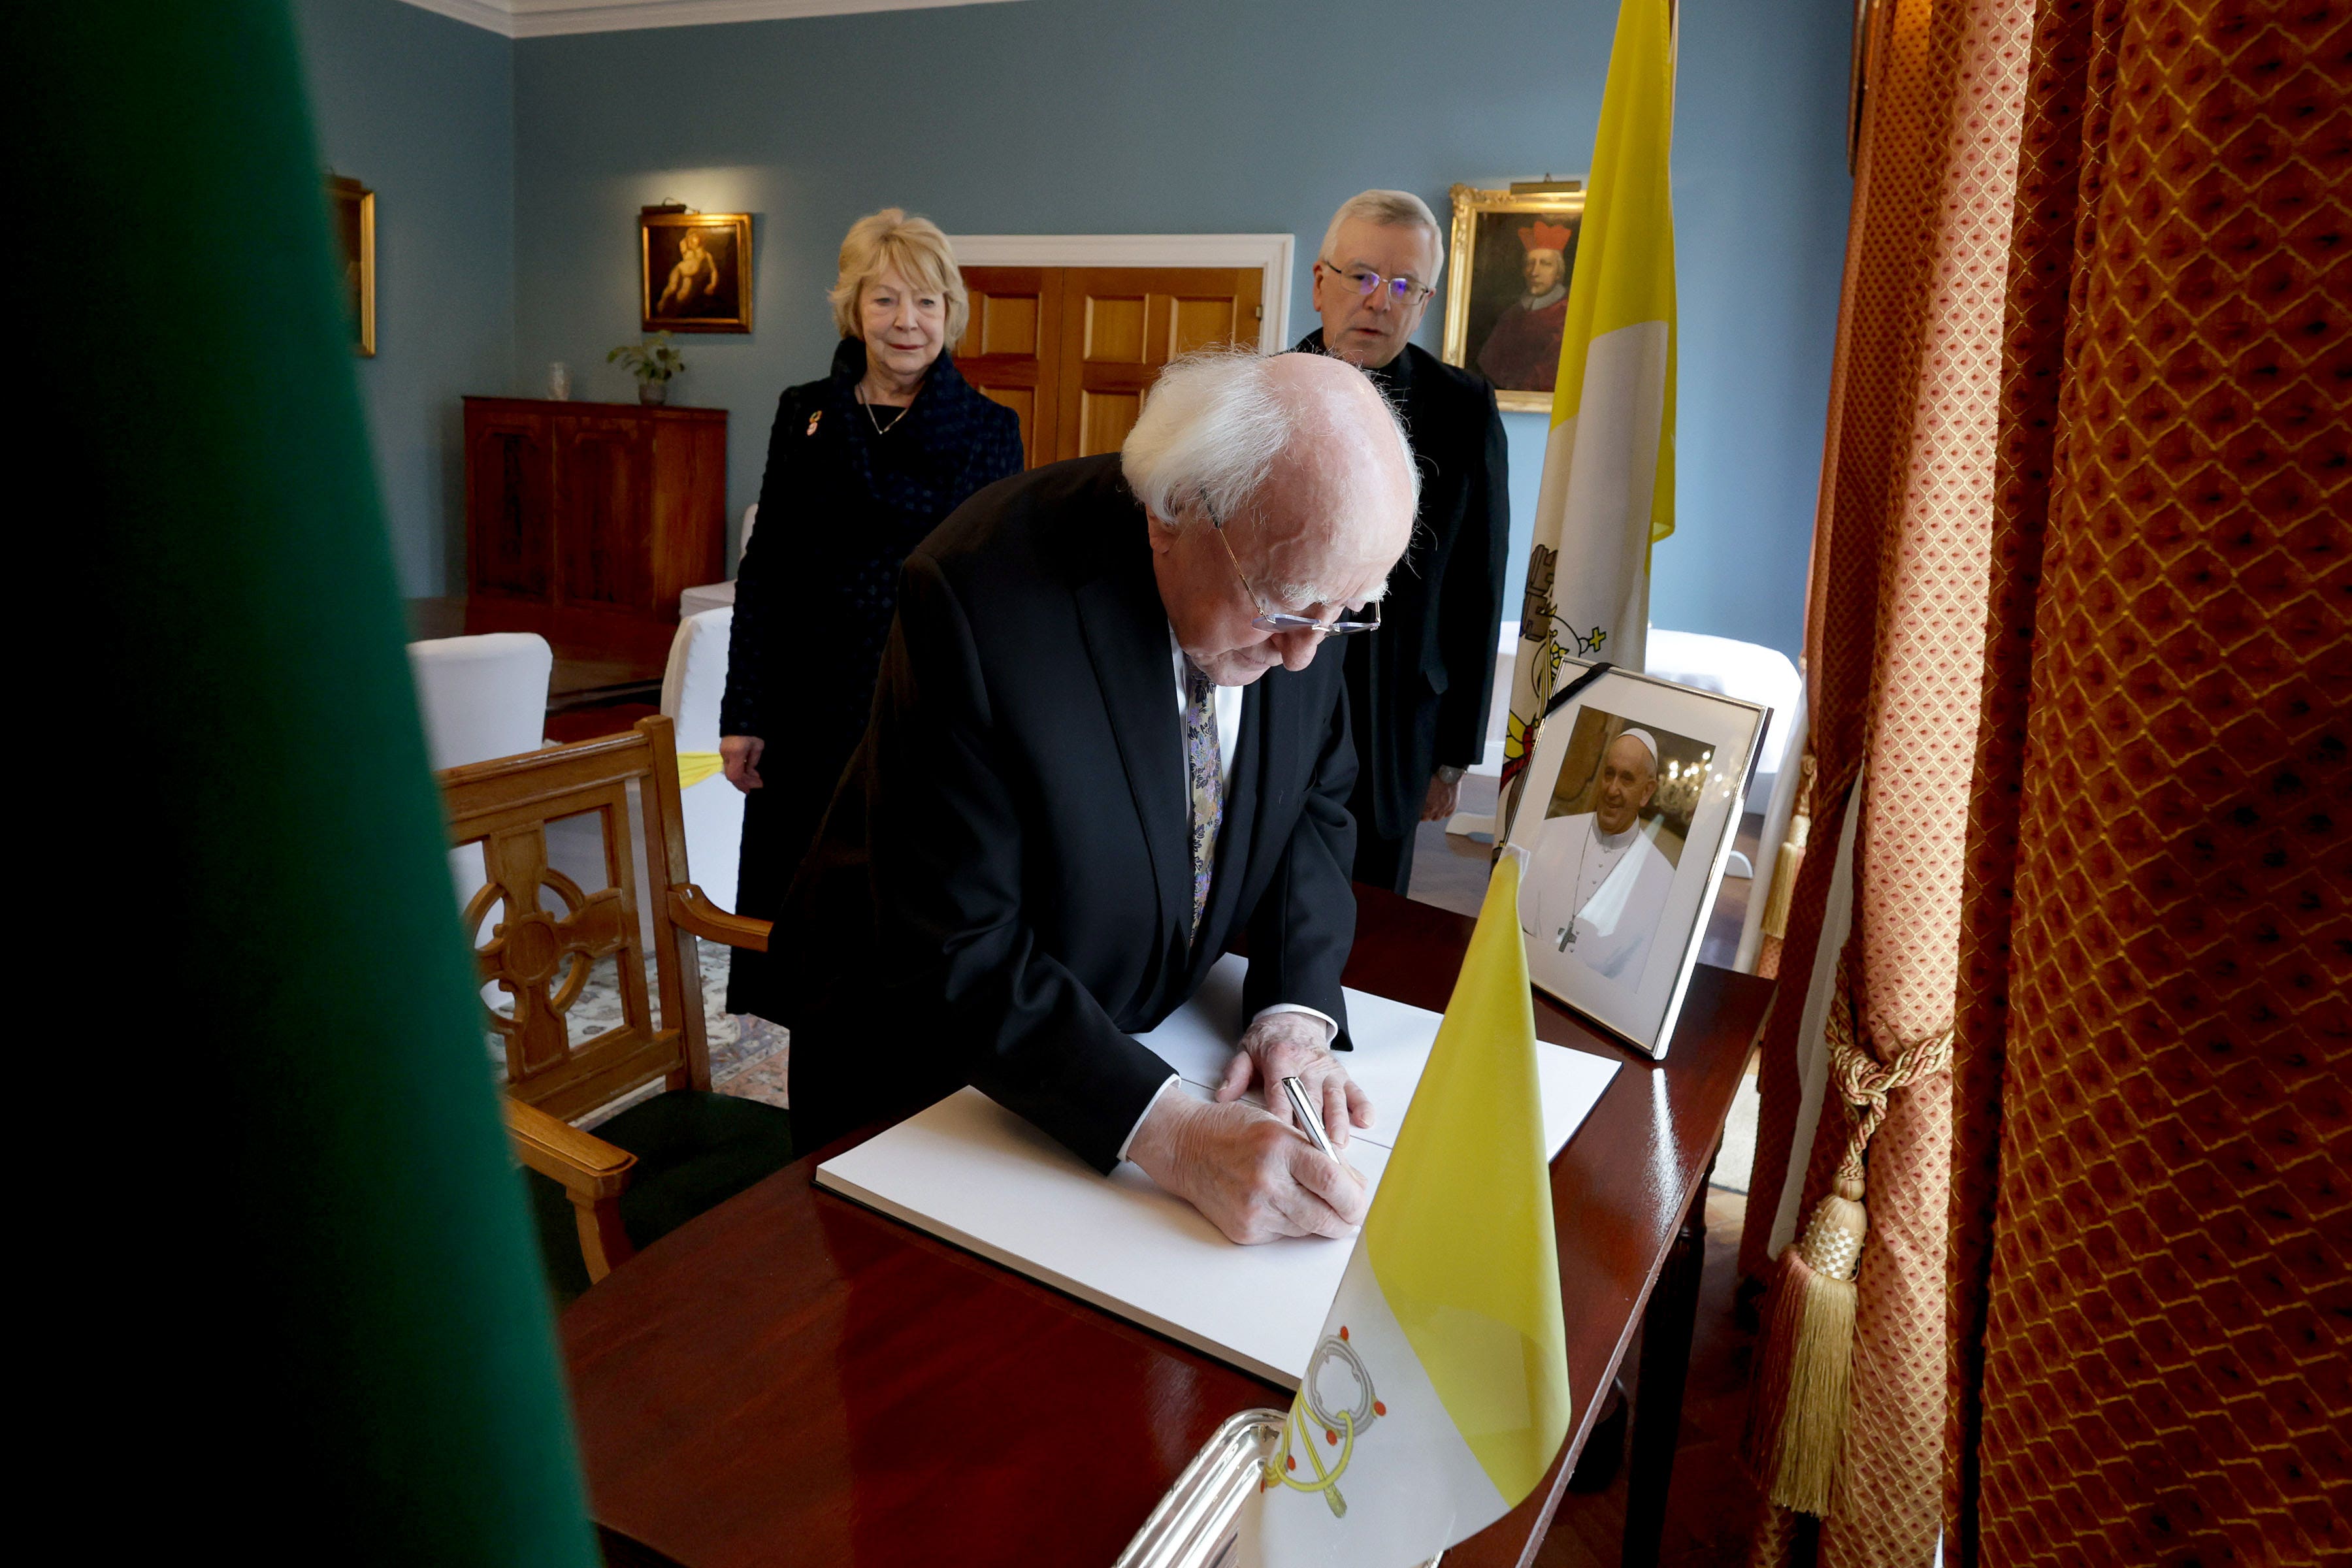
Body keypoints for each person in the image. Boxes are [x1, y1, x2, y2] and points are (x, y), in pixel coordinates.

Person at [776, 351, 1418, 1245]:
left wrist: (1291, 1015)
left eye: (1347, 611)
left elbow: (1315, 792)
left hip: (1126, 1036)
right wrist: (1179, 1136)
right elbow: (957, 947)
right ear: (1171, 515)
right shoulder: (979, 596)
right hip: (922, 1081)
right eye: (1283, 608)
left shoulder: (1307, 573)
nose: (1307, 654)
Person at [719, 209, 1024, 1024]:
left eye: (926, 303)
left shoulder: (993, 433)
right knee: (806, 919)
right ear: (854, 308)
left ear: (949, 313)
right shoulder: (804, 414)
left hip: (924, 709)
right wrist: (742, 712)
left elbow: (998, 594)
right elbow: (768, 572)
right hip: (807, 710)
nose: (906, 323)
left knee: (905, 925)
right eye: (886, 300)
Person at [1296, 190, 1509, 894]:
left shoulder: (1464, 408)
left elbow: (1479, 587)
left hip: (1396, 724)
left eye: (1401, 286)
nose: (1378, 301)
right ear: (1320, 283)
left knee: (1373, 916)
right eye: (1360, 276)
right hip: (1271, 696)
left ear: (1424, 302)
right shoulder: (1256, 393)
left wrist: (1453, 758)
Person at [1518, 729, 1676, 984]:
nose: (1612, 790)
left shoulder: (1663, 879)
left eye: (1626, 779)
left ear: (1647, 792)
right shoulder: (1550, 833)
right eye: (1609, 774)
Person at [1474, 222, 1575, 391]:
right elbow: (1489, 366)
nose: (1534, 272)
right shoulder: (1511, 315)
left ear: (1559, 272)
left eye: (1545, 264)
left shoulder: (1569, 313)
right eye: (1530, 263)